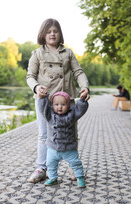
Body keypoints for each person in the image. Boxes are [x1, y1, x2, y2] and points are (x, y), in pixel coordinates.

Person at [26, 18, 90, 183]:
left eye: (55, 31)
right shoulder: (37, 53)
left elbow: (79, 72)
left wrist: (85, 87)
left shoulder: (68, 53)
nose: (52, 34)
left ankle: (73, 166)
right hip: (45, 101)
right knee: (44, 135)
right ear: (43, 34)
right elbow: (30, 76)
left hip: (67, 101)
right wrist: (36, 87)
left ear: (60, 34)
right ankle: (42, 168)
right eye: (49, 31)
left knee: (71, 134)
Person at [38, 91, 88, 188]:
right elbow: (42, 109)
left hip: (69, 148)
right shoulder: (49, 116)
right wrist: (43, 98)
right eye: (56, 104)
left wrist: (82, 100)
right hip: (53, 148)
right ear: (52, 105)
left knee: (76, 163)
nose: (59, 107)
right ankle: (53, 178)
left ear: (68, 105)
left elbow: (80, 110)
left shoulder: (72, 115)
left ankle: (80, 177)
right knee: (50, 164)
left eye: (63, 104)